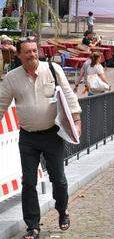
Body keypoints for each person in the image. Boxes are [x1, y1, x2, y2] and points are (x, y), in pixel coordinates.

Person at [0, 37, 82, 238]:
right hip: (28, 138)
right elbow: (1, 104)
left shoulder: (53, 70)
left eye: (35, 51)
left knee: (59, 180)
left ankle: (62, 210)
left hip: (52, 135)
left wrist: (77, 120)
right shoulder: (12, 78)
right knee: (28, 182)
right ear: (19, 55)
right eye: (27, 52)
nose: (32, 55)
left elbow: (69, 96)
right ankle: (33, 226)